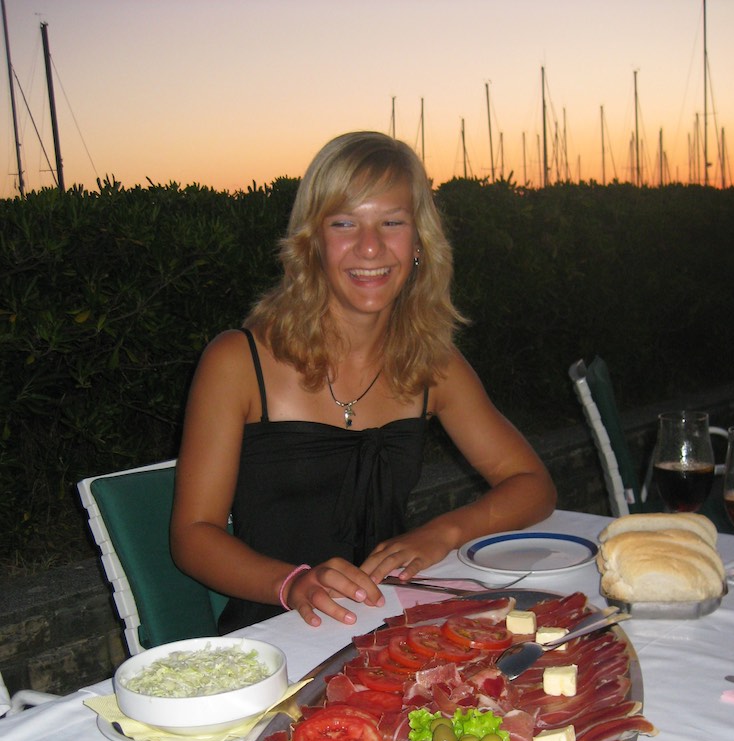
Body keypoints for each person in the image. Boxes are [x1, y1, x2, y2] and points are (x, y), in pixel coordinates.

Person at [170, 131, 556, 631]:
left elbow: (533, 486)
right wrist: (294, 583)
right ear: (312, 242)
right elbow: (192, 535)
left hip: (390, 627)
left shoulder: (432, 362)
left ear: (419, 242)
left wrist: (443, 532)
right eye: (344, 223)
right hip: (276, 634)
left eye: (392, 222)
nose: (370, 247)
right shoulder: (237, 361)